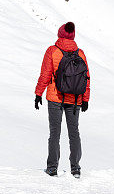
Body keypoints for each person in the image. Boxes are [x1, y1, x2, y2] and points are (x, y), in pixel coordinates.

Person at [34, 21, 90, 178]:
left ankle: (52, 167)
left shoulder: (52, 51)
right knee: (74, 133)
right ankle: (75, 168)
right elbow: (86, 78)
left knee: (54, 133)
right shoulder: (80, 53)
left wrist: (38, 93)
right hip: (75, 99)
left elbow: (45, 74)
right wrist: (85, 98)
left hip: (55, 97)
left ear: (60, 34)